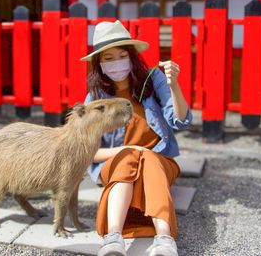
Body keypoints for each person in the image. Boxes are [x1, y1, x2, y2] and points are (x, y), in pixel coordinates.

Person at [81, 20, 192, 256]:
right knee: (128, 158)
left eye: (122, 55)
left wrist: (174, 86)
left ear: (132, 57)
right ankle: (114, 238)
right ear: (99, 63)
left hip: (159, 161)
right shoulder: (95, 97)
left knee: (149, 158)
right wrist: (129, 149)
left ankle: (164, 239)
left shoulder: (153, 80)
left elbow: (180, 120)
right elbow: (86, 151)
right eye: (108, 58)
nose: (116, 62)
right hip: (116, 163)